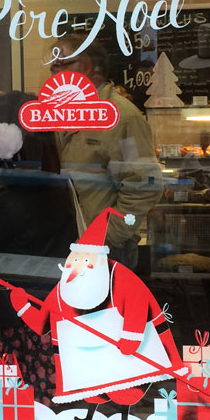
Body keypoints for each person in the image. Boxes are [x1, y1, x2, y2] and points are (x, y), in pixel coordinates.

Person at [0, 91, 78, 406]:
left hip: (17, 326)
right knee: (47, 409)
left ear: (3, 139)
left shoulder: (7, 199)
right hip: (50, 315)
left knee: (14, 412)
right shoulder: (58, 184)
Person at [9, 208, 185, 420]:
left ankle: (123, 416)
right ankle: (90, 414)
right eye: (74, 260)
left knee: (125, 388)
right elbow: (41, 325)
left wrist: (131, 337)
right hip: (88, 356)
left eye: (85, 261)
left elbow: (138, 303)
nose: (77, 267)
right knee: (92, 389)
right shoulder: (65, 288)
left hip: (122, 350)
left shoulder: (120, 277)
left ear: (100, 261)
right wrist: (22, 306)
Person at [48, 34, 164, 268]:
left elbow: (144, 184)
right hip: (68, 244)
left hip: (106, 251)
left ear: (90, 67)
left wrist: (106, 237)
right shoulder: (59, 113)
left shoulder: (122, 118)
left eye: (62, 64)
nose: (54, 72)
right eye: (53, 66)